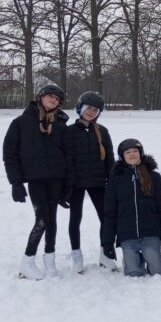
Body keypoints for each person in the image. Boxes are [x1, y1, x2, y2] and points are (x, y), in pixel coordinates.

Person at [3, 83, 70, 280]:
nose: (53, 100)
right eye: (50, 96)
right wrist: (16, 183)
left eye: (57, 99)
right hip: (36, 179)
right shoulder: (21, 122)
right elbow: (10, 154)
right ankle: (27, 260)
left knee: (52, 219)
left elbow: (68, 155)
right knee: (42, 219)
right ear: (40, 97)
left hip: (56, 179)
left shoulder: (61, 124)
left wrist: (68, 186)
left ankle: (50, 260)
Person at [101, 139, 161, 277]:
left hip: (150, 233)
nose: (132, 154)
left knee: (157, 272)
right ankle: (131, 262)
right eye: (128, 152)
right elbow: (110, 213)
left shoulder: (154, 176)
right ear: (122, 156)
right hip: (127, 235)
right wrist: (107, 242)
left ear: (140, 153)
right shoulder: (115, 180)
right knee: (134, 273)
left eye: (135, 151)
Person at [61, 90, 115, 274]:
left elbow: (109, 160)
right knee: (75, 218)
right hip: (76, 183)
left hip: (99, 182)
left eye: (95, 110)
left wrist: (112, 181)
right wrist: (66, 186)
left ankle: (105, 253)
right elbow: (66, 160)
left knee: (106, 218)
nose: (91, 112)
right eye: (88, 108)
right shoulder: (68, 132)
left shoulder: (102, 131)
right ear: (80, 108)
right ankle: (77, 255)